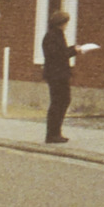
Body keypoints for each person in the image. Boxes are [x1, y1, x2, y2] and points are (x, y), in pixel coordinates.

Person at [42, 9, 77, 143]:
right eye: (65, 23)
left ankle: (56, 132)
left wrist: (73, 49)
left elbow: (61, 52)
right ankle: (52, 134)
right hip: (56, 75)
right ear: (60, 23)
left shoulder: (56, 35)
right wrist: (74, 51)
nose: (66, 25)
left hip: (59, 74)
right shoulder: (52, 36)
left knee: (62, 101)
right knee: (58, 102)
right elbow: (57, 55)